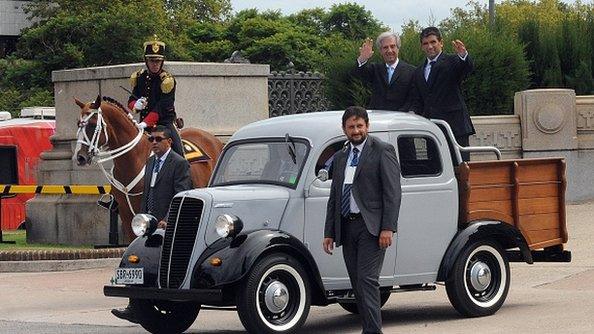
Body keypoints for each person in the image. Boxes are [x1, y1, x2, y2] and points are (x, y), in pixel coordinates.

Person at [323, 106, 401, 334]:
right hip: (348, 227)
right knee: (357, 283)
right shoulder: (340, 157)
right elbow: (334, 197)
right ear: (344, 129)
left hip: (372, 228)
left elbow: (392, 193)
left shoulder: (382, 150)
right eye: (351, 127)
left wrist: (388, 227)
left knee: (367, 280)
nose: (356, 131)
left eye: (359, 126)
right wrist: (329, 232)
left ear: (367, 126)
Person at [111, 125, 192, 323]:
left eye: (158, 139)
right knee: (136, 260)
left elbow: (180, 195)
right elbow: (147, 194)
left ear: (169, 142)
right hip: (148, 224)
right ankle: (135, 306)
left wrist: (168, 219)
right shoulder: (150, 162)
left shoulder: (179, 163)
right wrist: (141, 217)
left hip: (167, 225)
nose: (153, 143)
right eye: (151, 140)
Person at [412, 26, 475, 161]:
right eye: (426, 43)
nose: (430, 46)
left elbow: (466, 68)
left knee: (460, 169)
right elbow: (419, 99)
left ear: (441, 43)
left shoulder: (453, 61)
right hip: (432, 129)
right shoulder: (418, 71)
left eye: (433, 42)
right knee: (435, 168)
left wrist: (463, 56)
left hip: (455, 128)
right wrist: (412, 114)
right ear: (421, 46)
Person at [128, 37, 184, 156]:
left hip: (165, 124)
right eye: (152, 61)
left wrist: (145, 123)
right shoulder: (140, 77)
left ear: (162, 61)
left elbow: (163, 107)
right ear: (146, 61)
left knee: (180, 154)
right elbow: (131, 100)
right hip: (142, 125)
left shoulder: (167, 81)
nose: (155, 64)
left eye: (158, 61)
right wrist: (136, 105)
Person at [353, 31, 416, 111]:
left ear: (398, 48)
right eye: (385, 47)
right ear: (380, 51)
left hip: (401, 118)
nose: (389, 50)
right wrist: (362, 59)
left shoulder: (411, 71)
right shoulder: (374, 69)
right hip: (378, 118)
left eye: (392, 46)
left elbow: (413, 98)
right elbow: (357, 75)